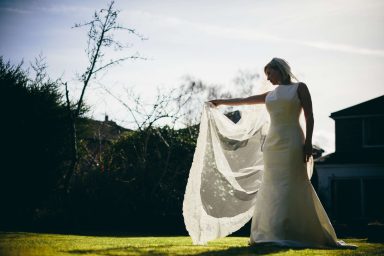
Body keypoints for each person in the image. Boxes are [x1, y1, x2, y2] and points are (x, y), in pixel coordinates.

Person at [183, 57, 355, 248]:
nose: (268, 78)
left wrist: (308, 142)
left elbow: (309, 115)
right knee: (272, 185)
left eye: (269, 74)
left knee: (292, 182)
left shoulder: (300, 88)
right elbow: (245, 101)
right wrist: (221, 102)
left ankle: (297, 230)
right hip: (273, 144)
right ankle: (272, 231)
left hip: (292, 140)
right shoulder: (271, 95)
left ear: (279, 70)